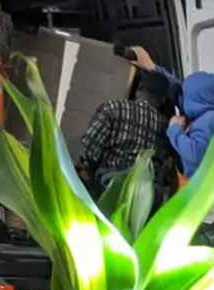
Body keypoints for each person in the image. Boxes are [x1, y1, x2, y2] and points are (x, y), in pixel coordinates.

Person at [77, 67, 179, 211]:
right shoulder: (166, 127)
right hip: (146, 199)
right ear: (162, 100)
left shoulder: (112, 108)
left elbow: (88, 149)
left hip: (109, 189)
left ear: (139, 89)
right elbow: (165, 166)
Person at [126, 46, 214, 179]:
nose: (181, 98)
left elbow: (196, 154)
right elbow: (177, 88)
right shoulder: (205, 111)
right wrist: (153, 68)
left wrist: (174, 130)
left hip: (194, 187)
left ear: (197, 98)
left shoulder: (211, 120)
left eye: (185, 95)